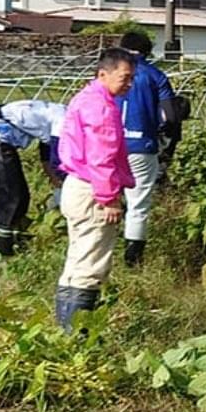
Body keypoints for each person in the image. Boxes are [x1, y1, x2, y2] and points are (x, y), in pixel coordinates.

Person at [55, 47, 136, 331]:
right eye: (125, 77)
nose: (129, 84)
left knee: (76, 262)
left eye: (131, 78)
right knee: (90, 267)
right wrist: (109, 198)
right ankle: (77, 337)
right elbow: (101, 156)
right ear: (103, 74)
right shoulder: (101, 108)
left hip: (76, 186)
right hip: (92, 191)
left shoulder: (84, 98)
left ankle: (64, 331)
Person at [116, 31, 181, 266]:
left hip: (108, 146)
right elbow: (170, 116)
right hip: (141, 145)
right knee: (138, 204)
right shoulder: (155, 75)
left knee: (104, 198)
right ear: (147, 52)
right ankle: (132, 261)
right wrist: (167, 143)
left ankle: (100, 251)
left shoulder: (108, 72)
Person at [0, 99, 66, 256]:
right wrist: (64, 181)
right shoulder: (65, 119)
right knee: (11, 196)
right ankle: (3, 249)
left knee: (18, 196)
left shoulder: (56, 113)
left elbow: (46, 154)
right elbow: (55, 156)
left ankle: (14, 237)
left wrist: (56, 180)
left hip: (2, 139)